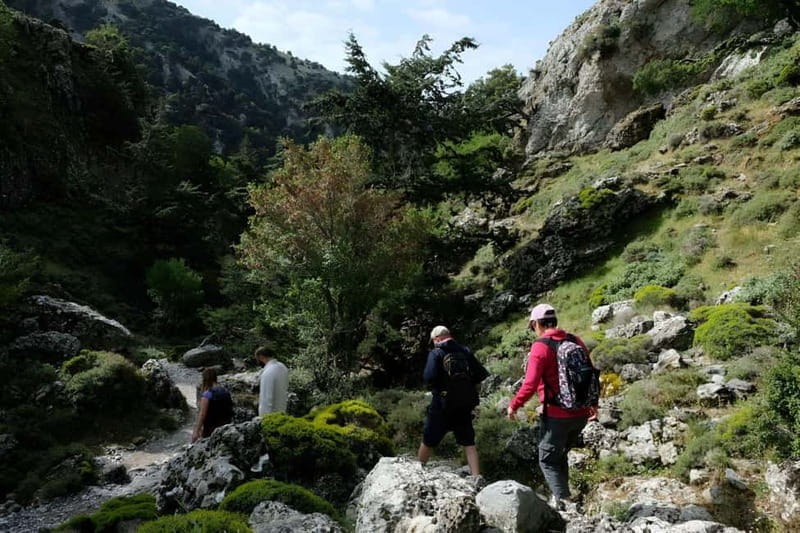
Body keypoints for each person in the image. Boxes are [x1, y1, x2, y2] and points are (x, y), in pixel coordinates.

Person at [506, 303, 596, 510]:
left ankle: (565, 504)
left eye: (532, 327)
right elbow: (590, 373)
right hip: (581, 413)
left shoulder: (541, 347)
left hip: (557, 415)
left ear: (536, 324)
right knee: (559, 455)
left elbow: (529, 384)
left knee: (547, 459)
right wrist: (594, 404)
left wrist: (514, 405)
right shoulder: (575, 340)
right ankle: (563, 495)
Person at [418, 325, 489, 475]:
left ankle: (418, 471)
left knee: (428, 439)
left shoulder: (436, 353)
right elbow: (481, 374)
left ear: (436, 339)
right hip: (464, 403)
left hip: (442, 404)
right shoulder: (465, 351)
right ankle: (476, 476)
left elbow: (428, 377)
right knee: (468, 442)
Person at [192, 367, 233, 443]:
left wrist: (196, 431)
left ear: (204, 379)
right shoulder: (225, 391)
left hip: (211, 429)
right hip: (226, 426)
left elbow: (202, 414)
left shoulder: (207, 394)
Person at [254, 346, 289, 415]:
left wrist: (263, 417)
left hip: (271, 416)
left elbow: (266, 399)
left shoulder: (268, 372)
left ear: (261, 357)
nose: (258, 361)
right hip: (282, 410)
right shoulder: (283, 367)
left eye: (258, 359)